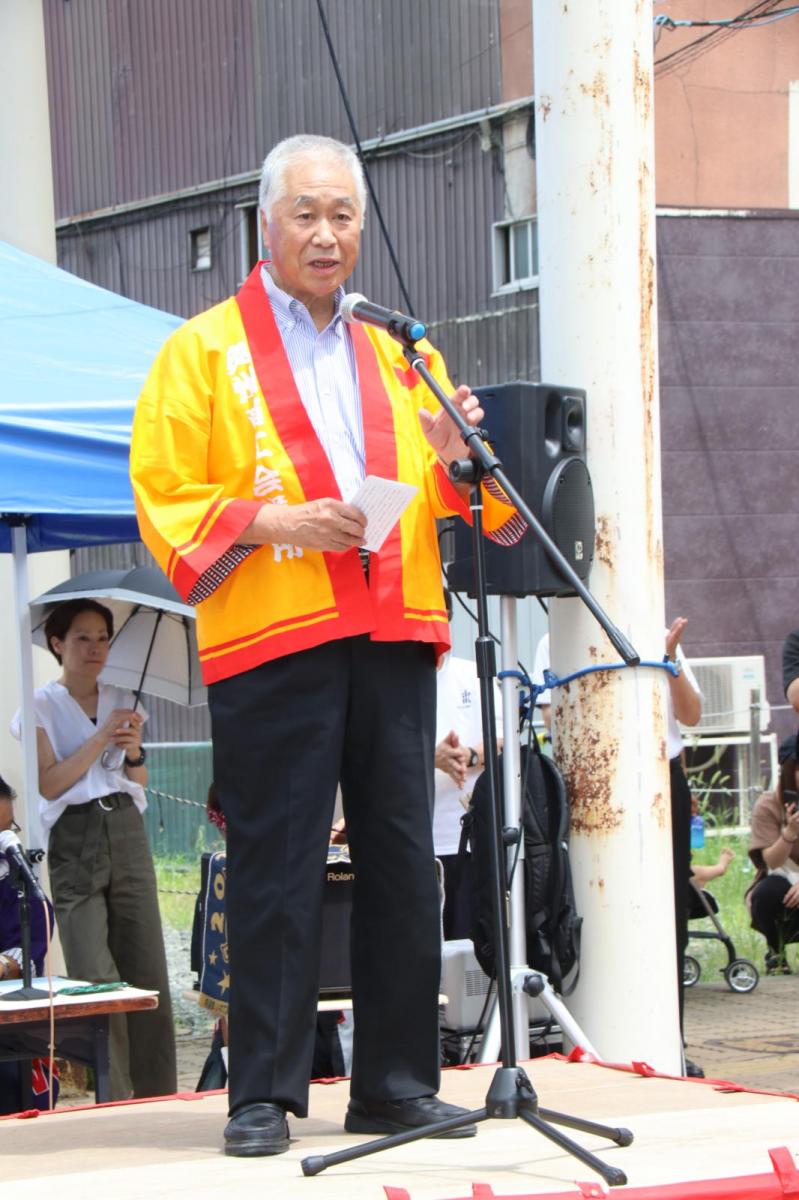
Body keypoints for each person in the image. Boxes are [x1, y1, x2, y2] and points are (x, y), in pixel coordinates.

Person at [129, 133, 522, 1156]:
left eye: (343, 214)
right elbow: (163, 496)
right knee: (278, 862)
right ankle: (261, 1091)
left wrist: (456, 461)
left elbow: (471, 500)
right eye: (306, 212)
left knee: (401, 859)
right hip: (275, 631)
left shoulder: (403, 351)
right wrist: (278, 524)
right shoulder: (200, 349)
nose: (326, 233)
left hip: (392, 628)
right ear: (266, 221)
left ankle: (395, 1082)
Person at [10, 599, 177, 1101]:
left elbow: (139, 779)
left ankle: (158, 1093)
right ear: (57, 644)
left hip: (125, 827)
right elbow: (51, 784)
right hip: (74, 834)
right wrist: (101, 735)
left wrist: (132, 750)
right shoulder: (38, 704)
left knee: (146, 966)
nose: (94, 648)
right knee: (95, 972)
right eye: (82, 637)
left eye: (102, 636)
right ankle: (117, 1095)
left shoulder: (124, 696)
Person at [434, 648, 501, 941]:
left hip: (469, 837)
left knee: (468, 947)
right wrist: (430, 757)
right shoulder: (391, 679)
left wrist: (468, 755)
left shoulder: (473, 673)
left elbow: (504, 739)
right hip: (413, 840)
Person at [0, 774, 58, 1113]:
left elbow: (32, 936)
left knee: (12, 1074)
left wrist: (6, 964)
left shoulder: (13, 881)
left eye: (8, 829)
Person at [747, 731, 799, 974]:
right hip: (783, 878)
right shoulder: (768, 805)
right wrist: (790, 832)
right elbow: (770, 861)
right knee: (765, 895)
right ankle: (776, 951)